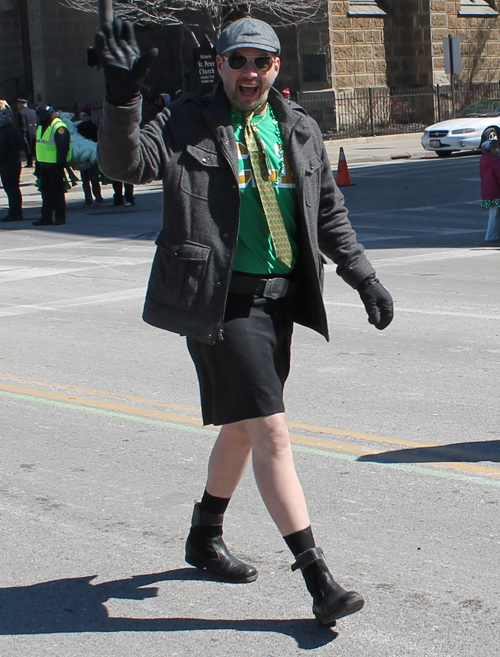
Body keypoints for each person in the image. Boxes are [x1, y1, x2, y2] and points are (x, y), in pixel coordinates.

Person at [95, 17, 394, 627]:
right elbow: (123, 167)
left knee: (241, 427)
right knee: (272, 433)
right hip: (218, 302)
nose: (249, 73)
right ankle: (318, 577)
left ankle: (204, 535)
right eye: (238, 62)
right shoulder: (185, 121)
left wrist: (362, 276)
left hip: (278, 303)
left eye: (261, 62)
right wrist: (122, 99)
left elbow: (328, 215)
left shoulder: (300, 129)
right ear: (221, 67)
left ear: (276, 67)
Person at [32, 106, 72, 226]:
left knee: (57, 193)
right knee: (46, 193)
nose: (38, 117)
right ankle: (46, 217)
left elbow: (63, 148)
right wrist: (38, 165)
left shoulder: (59, 127)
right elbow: (39, 146)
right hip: (44, 165)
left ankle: (60, 217)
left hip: (55, 166)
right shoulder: (42, 126)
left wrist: (60, 164)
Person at [0, 100, 23, 222]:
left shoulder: (3, 133)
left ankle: (14, 213)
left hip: (7, 165)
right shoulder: (14, 130)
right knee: (15, 189)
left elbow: (1, 151)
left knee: (11, 190)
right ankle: (17, 212)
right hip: (15, 162)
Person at [77, 106, 104, 206]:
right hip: (82, 155)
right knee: (85, 179)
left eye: (84, 115)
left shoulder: (93, 127)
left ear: (89, 116)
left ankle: (98, 196)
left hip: (91, 155)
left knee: (93, 178)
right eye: (81, 116)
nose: (83, 118)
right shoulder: (79, 127)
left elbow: (96, 140)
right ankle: (88, 198)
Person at [479, 139, 500, 242]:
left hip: (488, 192)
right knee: (494, 216)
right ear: (492, 149)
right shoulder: (496, 162)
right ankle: (491, 235)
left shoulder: (484, 160)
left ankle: (494, 234)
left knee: (494, 214)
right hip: (497, 192)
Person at [16, 98, 37, 168]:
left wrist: (23, 135)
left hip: (27, 132)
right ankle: (37, 161)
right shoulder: (33, 111)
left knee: (28, 148)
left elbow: (23, 125)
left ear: (22, 104)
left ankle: (29, 162)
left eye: (19, 104)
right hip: (35, 131)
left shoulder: (21, 113)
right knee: (35, 148)